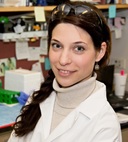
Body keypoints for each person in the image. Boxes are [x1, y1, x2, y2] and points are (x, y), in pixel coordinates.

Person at [8, 1, 122, 142]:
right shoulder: (35, 100)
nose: (63, 60)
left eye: (79, 48)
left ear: (100, 52)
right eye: (57, 45)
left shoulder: (105, 126)